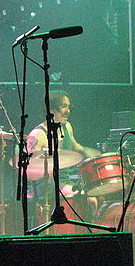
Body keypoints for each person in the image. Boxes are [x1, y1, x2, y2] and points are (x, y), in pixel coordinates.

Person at [26, 91, 100, 226]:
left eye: (69, 106)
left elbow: (76, 146)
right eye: (63, 106)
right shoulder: (38, 134)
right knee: (87, 198)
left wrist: (97, 156)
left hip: (64, 180)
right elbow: (27, 168)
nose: (68, 111)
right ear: (51, 109)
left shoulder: (67, 126)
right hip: (45, 185)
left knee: (95, 192)